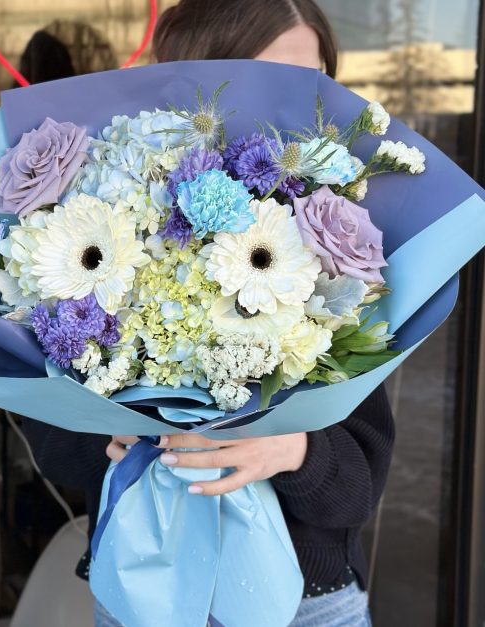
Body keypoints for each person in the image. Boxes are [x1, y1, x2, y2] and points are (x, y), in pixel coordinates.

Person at [22, 2, 394, 625]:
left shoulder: (337, 242)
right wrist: (114, 435)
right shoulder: (103, 229)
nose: (302, 110)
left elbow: (362, 484)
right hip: (146, 595)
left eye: (320, 83)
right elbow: (49, 439)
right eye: (276, 81)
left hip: (312, 605)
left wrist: (293, 450)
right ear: (203, 81)